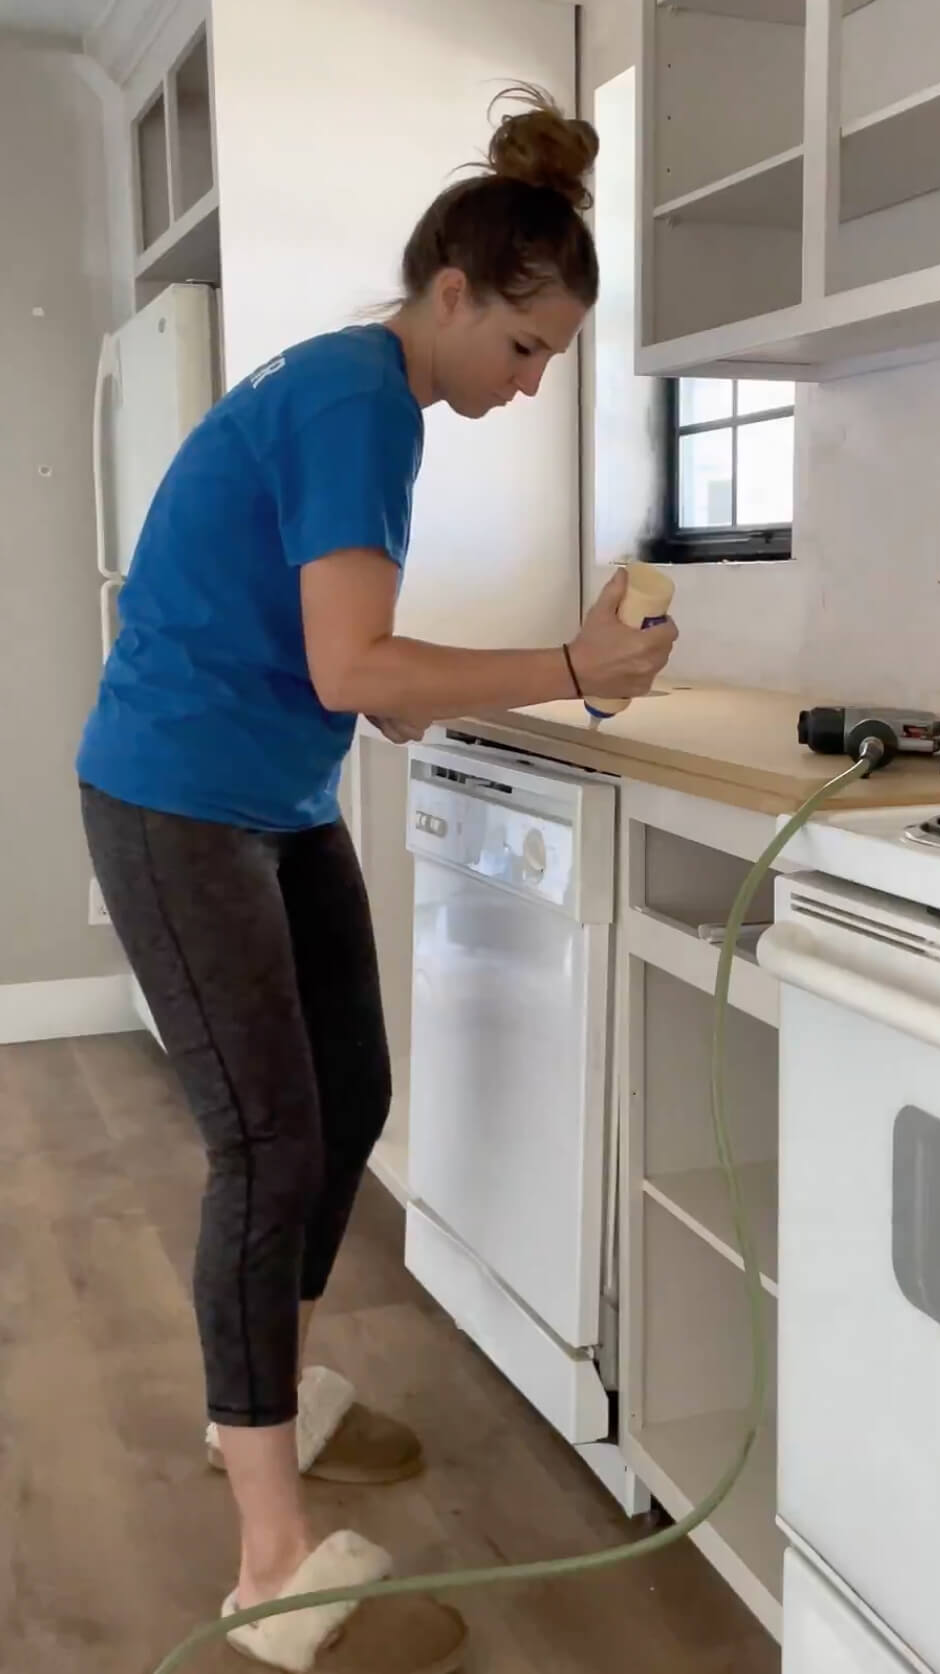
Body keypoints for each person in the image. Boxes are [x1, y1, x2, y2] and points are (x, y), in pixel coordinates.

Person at [77, 85, 677, 1672]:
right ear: (457, 292)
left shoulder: (371, 400)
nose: (533, 382)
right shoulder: (358, 401)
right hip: (177, 797)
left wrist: (556, 675)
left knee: (346, 1090)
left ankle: (262, 1389)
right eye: (528, 348)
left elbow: (374, 684)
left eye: (555, 362)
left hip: (266, 790)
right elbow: (358, 667)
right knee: (270, 1140)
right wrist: (571, 658)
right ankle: (267, 1558)